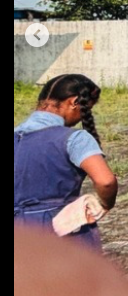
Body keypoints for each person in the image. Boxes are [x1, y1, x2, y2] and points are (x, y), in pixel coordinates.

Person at [14, 74, 118, 250]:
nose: (81, 118)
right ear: (74, 102)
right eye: (86, 109)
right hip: (61, 229)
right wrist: (105, 204)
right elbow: (106, 181)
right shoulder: (74, 138)